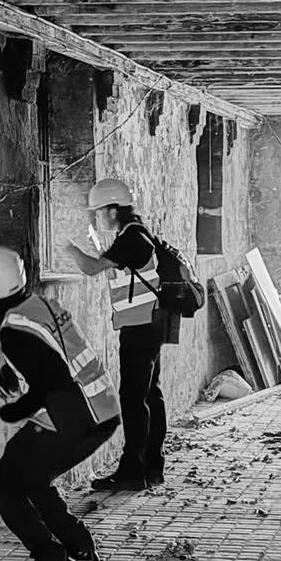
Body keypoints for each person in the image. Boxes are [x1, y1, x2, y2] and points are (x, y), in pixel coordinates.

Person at [0, 243, 120, 561]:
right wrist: (13, 371)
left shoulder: (12, 329)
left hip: (74, 418)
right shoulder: (36, 305)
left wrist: (9, 411)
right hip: (101, 410)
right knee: (33, 478)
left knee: (3, 484)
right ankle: (80, 551)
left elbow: (52, 380)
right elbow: (51, 353)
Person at [67, 177, 173, 492]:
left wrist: (67, 247)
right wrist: (94, 243)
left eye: (99, 211)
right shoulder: (134, 234)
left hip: (140, 329)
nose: (97, 217)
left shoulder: (131, 238)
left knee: (134, 399)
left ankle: (133, 471)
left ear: (113, 210)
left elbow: (90, 267)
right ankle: (153, 467)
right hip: (149, 324)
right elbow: (113, 261)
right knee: (151, 395)